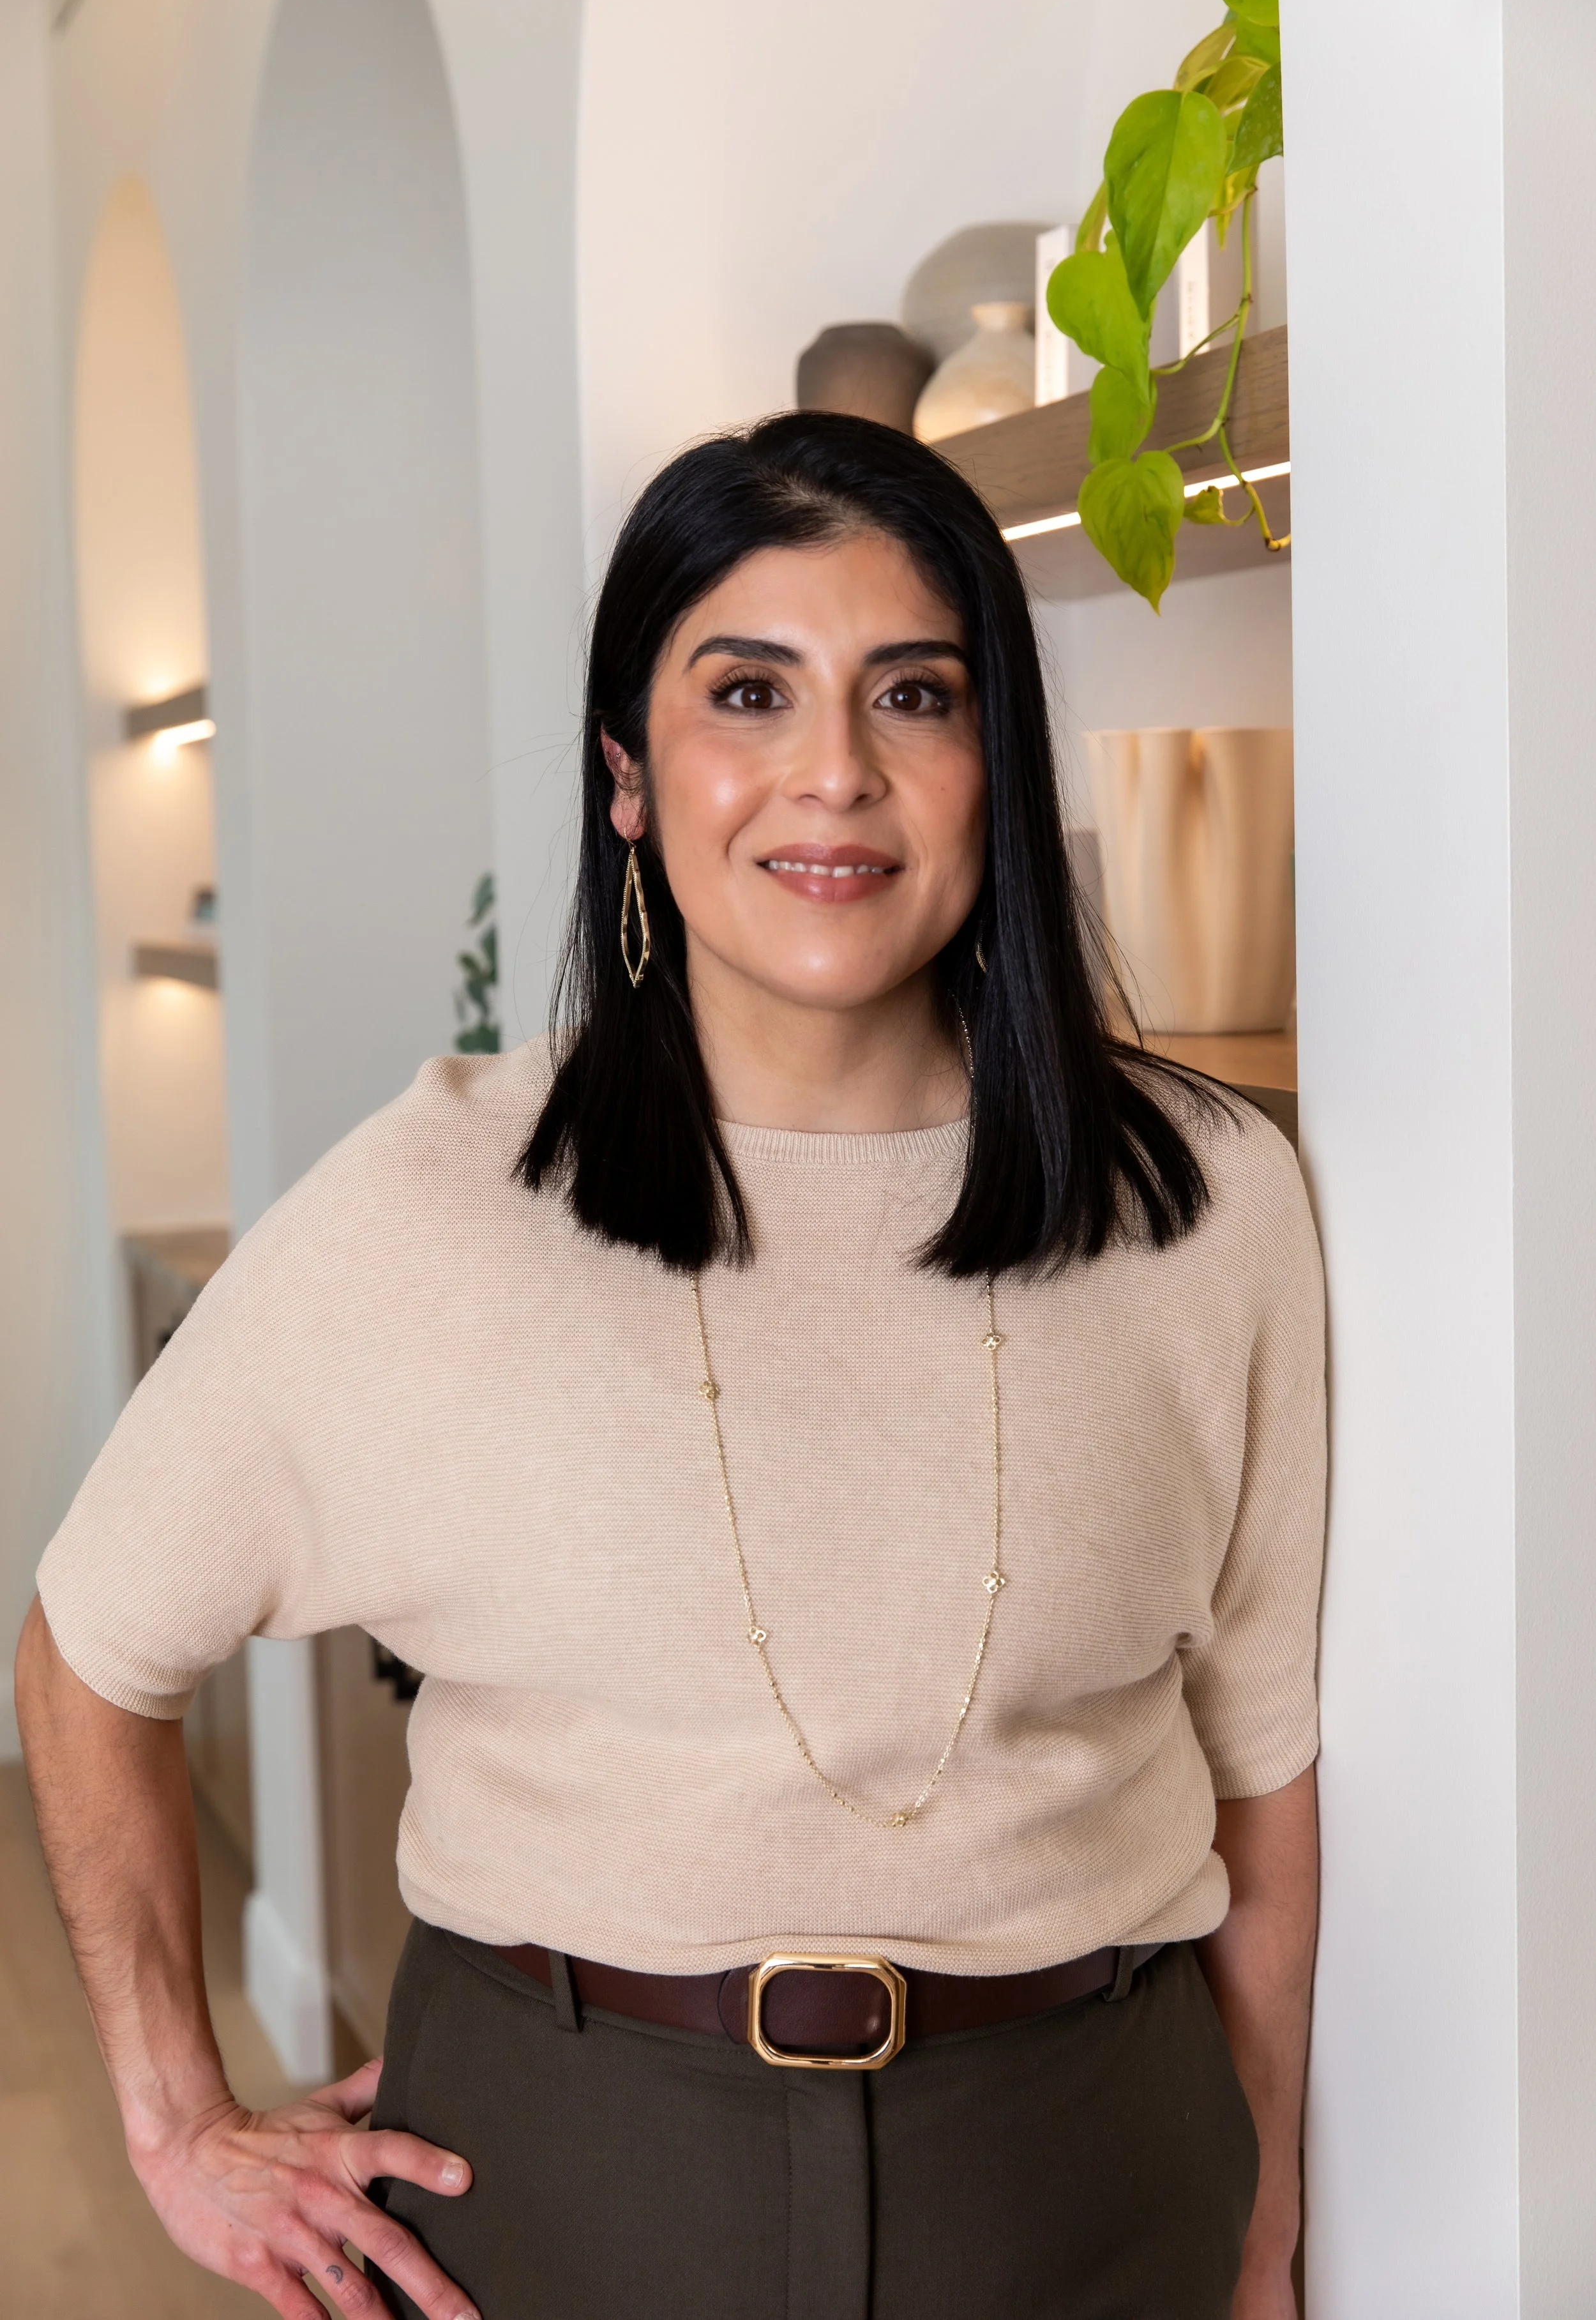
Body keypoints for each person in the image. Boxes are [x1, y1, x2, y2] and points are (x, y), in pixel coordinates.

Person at [17, 412, 1324, 2320]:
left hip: (1092, 2177)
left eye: (913, 693)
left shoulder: (1207, 1201)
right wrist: (169, 2117)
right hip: (567, 2180)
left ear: (995, 760)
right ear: (629, 776)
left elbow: (1264, 1782)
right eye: (747, 691)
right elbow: (90, 1644)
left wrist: (1264, 2227)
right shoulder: (434, 1205)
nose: (835, 775)